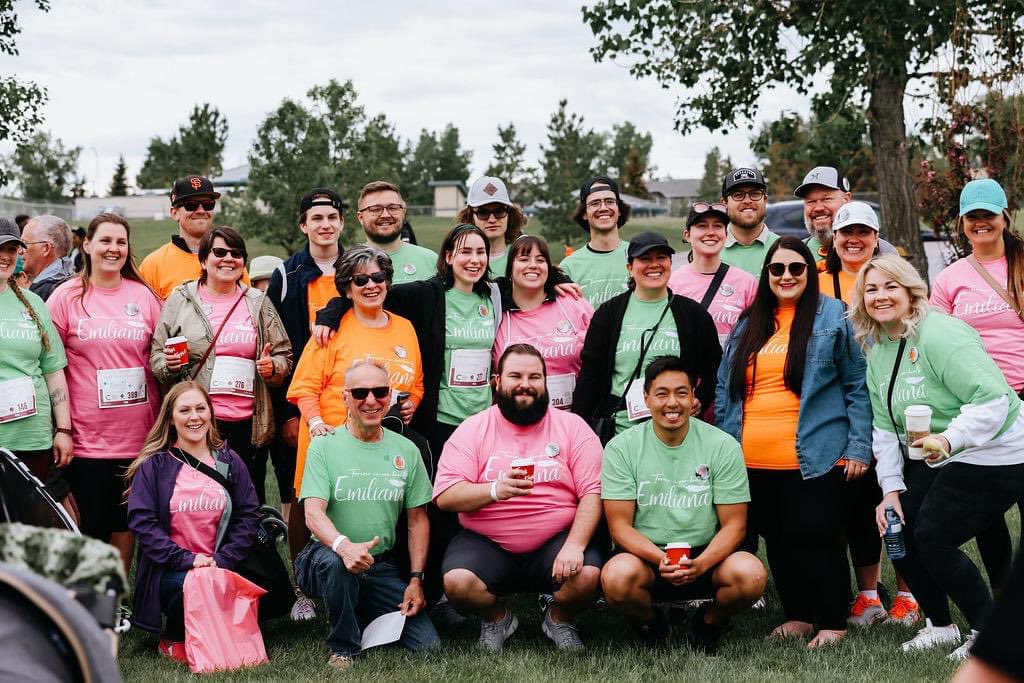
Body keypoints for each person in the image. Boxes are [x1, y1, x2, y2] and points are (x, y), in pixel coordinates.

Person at [851, 254, 1024, 659]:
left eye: (891, 286)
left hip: (998, 449)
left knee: (933, 535)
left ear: (912, 291)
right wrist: (890, 489)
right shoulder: (879, 347)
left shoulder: (941, 334)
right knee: (898, 529)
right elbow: (883, 428)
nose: (880, 296)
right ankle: (939, 626)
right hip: (946, 454)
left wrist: (950, 439)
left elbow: (995, 399)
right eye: (871, 289)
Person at [715, 236, 872, 647]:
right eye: (777, 269)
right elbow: (723, 387)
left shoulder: (833, 315)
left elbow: (857, 384)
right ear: (766, 275)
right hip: (750, 459)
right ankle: (799, 615)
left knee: (818, 538)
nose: (786, 276)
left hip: (816, 455)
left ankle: (833, 621)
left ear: (808, 271)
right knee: (779, 541)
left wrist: (858, 447)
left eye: (796, 268)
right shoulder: (749, 323)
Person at [435, 344, 604, 652]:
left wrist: (575, 546)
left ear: (545, 382)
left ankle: (559, 617)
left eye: (534, 376)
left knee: (588, 576)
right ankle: (497, 618)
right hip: (486, 541)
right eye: (515, 375)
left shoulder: (573, 427)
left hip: (556, 540)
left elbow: (593, 492)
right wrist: (494, 490)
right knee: (458, 583)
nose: (525, 384)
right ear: (496, 381)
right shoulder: (473, 428)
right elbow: (445, 495)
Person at [601, 356, 766, 652]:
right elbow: (619, 527)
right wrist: (659, 558)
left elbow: (735, 526)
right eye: (662, 393)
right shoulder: (621, 448)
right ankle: (652, 623)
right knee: (615, 578)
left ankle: (709, 621)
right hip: (647, 556)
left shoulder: (722, 445)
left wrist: (701, 564)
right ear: (647, 398)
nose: (672, 403)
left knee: (751, 575)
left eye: (681, 393)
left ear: (693, 398)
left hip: (707, 555)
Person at [294, 360, 438, 671]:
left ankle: (360, 606)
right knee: (337, 565)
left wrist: (415, 580)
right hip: (326, 556)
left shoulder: (407, 450)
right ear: (345, 397)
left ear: (389, 396)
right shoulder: (324, 447)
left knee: (428, 645)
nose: (371, 400)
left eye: (380, 391)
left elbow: (417, 520)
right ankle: (343, 646)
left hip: (379, 565)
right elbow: (312, 513)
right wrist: (344, 546)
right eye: (360, 392)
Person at [46, 213, 162, 576]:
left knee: (125, 520)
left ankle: (117, 597)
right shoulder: (66, 297)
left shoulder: (144, 297)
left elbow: (160, 354)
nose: (114, 249)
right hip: (87, 436)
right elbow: (50, 365)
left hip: (140, 434)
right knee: (91, 522)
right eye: (106, 241)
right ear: (88, 245)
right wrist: (61, 427)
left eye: (121, 242)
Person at [150, 226, 292, 503]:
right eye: (220, 252)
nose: (228, 258)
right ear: (203, 260)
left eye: (236, 253)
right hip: (197, 421)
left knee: (246, 503)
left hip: (247, 424)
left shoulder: (257, 301)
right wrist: (168, 364)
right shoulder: (181, 299)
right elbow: (156, 355)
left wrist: (272, 367)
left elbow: (283, 354)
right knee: (198, 501)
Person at [930, 178, 1024, 596]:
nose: (981, 223)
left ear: (1005, 216)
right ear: (962, 223)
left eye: (989, 214)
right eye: (973, 216)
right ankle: (1003, 594)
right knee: (988, 512)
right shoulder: (950, 278)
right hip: (984, 405)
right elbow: (936, 339)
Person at [125, 382, 260, 663]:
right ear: (171, 418)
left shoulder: (228, 461)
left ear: (210, 414)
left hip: (223, 563)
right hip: (173, 570)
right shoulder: (155, 465)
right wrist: (188, 559)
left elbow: (249, 514)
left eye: (200, 408)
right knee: (192, 583)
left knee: (218, 581)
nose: (194, 417)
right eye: (184, 410)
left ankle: (216, 625)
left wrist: (223, 559)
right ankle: (174, 636)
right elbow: (142, 523)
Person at [288, 245, 424, 516]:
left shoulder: (405, 328)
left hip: (381, 449)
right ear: (347, 289)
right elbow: (304, 387)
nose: (371, 285)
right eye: (361, 280)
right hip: (331, 444)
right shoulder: (332, 330)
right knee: (317, 525)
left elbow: (416, 382)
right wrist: (316, 425)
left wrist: (414, 402)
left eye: (378, 277)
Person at [816, 200, 902, 625]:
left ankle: (908, 594)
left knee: (901, 497)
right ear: (833, 238)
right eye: (845, 233)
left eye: (863, 233)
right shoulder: (817, 281)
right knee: (856, 500)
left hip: (892, 399)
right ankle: (868, 593)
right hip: (842, 406)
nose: (853, 240)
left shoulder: (890, 277)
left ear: (875, 237)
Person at [265, 188, 345, 611]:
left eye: (332, 216)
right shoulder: (287, 272)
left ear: (341, 222)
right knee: (299, 496)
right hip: (302, 403)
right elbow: (279, 345)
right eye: (316, 218)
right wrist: (288, 413)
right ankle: (302, 589)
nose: (325, 224)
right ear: (303, 225)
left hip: (350, 401)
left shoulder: (357, 268)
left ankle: (351, 573)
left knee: (346, 492)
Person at [573, 232, 721, 440]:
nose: (654, 265)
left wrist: (702, 398)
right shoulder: (609, 314)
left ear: (670, 262)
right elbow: (590, 376)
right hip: (621, 431)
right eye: (644, 259)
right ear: (629, 267)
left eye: (661, 257)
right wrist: (579, 429)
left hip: (678, 430)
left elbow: (714, 369)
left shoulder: (693, 314)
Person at [0, 219, 72, 484]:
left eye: (11, 249)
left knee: (29, 523)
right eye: (0, 248)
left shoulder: (34, 303)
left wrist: (63, 429)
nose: (5, 257)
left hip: (33, 438)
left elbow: (53, 371)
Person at [493, 236, 594, 410]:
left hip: (574, 418)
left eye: (540, 260)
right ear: (510, 268)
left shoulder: (573, 303)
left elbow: (601, 354)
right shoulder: (496, 310)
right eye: (524, 259)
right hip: (515, 418)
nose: (533, 265)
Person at [140, 175, 249, 299]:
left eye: (208, 204)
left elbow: (248, 310)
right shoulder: (153, 265)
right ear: (175, 213)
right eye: (191, 205)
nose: (201, 210)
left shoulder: (231, 262)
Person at [668, 202, 757, 346]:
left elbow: (757, 335)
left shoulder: (747, 283)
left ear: (726, 234)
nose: (711, 232)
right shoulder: (672, 283)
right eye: (702, 226)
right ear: (687, 235)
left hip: (732, 367)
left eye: (717, 226)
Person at [794, 166, 897, 264]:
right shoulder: (795, 255)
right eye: (811, 201)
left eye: (827, 199)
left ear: (846, 199)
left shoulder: (884, 253)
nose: (818, 208)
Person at [559, 176, 631, 307]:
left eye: (609, 201)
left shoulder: (638, 255)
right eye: (595, 203)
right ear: (584, 213)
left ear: (619, 209)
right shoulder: (569, 267)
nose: (603, 207)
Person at [358, 181, 438, 285]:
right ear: (360, 218)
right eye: (375, 209)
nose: (385, 215)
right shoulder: (348, 263)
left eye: (393, 208)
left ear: (403, 213)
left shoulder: (432, 261)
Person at [456, 176, 525, 279]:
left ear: (509, 214)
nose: (492, 219)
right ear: (471, 217)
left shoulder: (525, 254)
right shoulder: (459, 260)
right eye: (483, 213)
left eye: (499, 211)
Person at [718, 168, 779, 276]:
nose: (747, 200)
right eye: (738, 195)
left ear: (765, 200)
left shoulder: (783, 248)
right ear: (724, 203)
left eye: (755, 194)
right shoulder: (712, 250)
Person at [21, 215, 74, 301]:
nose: (20, 250)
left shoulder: (46, 293)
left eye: (24, 243)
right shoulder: (73, 282)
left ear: (46, 248)